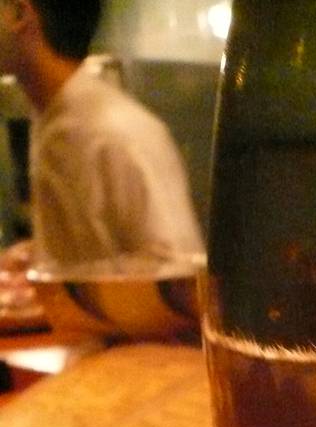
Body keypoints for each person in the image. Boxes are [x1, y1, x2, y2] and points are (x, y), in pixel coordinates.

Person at [0, 0, 203, 269]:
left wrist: (53, 278)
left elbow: (177, 269)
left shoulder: (114, 132)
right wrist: (38, 259)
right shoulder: (50, 116)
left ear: (19, 13)